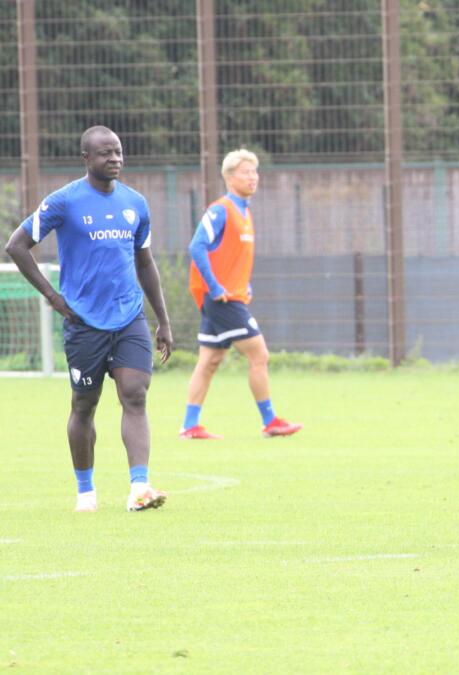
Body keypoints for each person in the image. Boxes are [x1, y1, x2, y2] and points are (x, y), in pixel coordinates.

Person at [4, 126, 173, 512]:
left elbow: (145, 263)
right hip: (84, 322)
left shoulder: (136, 204)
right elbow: (16, 245)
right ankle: (85, 492)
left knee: (135, 394)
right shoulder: (64, 202)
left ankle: (139, 487)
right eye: (105, 153)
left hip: (129, 316)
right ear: (86, 158)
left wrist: (162, 319)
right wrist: (52, 295)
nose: (114, 158)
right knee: (84, 404)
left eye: (118, 151)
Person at [178, 149, 302, 440]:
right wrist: (215, 285)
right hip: (222, 299)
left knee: (209, 360)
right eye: (246, 172)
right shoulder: (221, 209)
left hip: (229, 295)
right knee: (259, 354)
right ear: (229, 177)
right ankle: (270, 421)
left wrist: (243, 283)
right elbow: (197, 246)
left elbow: (232, 257)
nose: (252, 177)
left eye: (255, 172)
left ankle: (189, 425)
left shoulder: (245, 211)